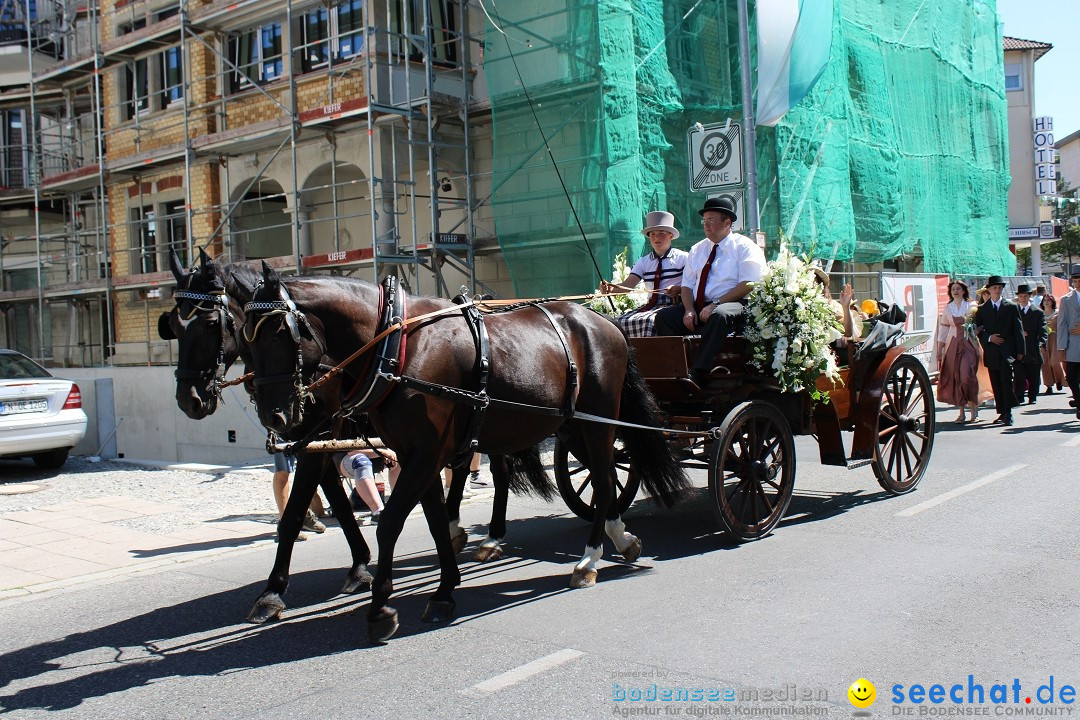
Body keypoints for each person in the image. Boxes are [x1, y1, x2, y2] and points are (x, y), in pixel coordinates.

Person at [654, 196, 766, 386]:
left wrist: (717, 303)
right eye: (704, 221)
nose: (706, 225)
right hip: (700, 305)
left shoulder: (744, 246)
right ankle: (675, 369)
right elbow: (687, 285)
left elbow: (748, 283)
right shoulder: (697, 249)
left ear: (727, 222)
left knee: (719, 315)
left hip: (734, 304)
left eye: (712, 220)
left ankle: (698, 372)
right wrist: (689, 309)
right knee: (664, 317)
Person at [601, 211, 688, 337]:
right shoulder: (643, 262)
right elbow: (628, 285)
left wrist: (679, 289)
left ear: (670, 235)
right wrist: (609, 289)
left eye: (661, 234)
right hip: (651, 305)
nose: (656, 238)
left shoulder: (683, 258)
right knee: (619, 322)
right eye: (652, 234)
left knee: (650, 321)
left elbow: (693, 284)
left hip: (675, 305)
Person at [974, 275, 1024, 426]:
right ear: (988, 290)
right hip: (991, 351)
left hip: (1007, 351)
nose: (997, 290)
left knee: (1006, 380)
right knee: (996, 382)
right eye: (994, 288)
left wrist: (1021, 351)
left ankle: (1008, 412)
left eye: (999, 288)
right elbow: (978, 329)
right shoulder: (982, 309)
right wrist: (989, 338)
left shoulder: (1011, 307)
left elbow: (1018, 330)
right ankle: (1002, 411)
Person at [933, 279, 981, 423]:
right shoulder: (948, 308)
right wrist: (940, 349)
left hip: (969, 342)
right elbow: (943, 330)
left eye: (958, 288)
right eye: (953, 289)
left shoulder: (972, 305)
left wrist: (976, 330)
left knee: (968, 375)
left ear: (964, 290)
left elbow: (979, 324)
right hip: (953, 343)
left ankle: (974, 410)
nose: (955, 291)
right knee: (957, 377)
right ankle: (961, 412)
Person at [336, 447, 400, 524]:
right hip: (345, 458)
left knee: (397, 456)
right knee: (361, 460)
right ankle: (377, 513)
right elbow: (351, 451)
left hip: (376, 455)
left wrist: (389, 451)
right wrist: (382, 452)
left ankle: (397, 504)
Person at [271, 451, 324, 540]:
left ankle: (303, 515)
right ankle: (286, 523)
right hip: (283, 438)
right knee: (283, 469)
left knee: (308, 467)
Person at [1013, 284, 1046, 406]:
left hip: (1032, 346)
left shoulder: (1037, 312)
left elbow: (1043, 330)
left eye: (1025, 296)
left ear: (1029, 296)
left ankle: (1032, 396)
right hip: (1019, 348)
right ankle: (1019, 396)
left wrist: (1041, 342)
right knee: (1019, 374)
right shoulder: (1014, 311)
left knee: (1033, 374)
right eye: (1021, 296)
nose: (1023, 298)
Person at [1056, 267, 1080, 420]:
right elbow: (1062, 324)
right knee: (1071, 377)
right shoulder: (1066, 299)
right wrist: (1060, 347)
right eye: (1075, 281)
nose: (1077, 284)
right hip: (1072, 345)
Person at [1039, 294, 1066, 394]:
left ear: (1052, 302)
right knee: (1045, 362)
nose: (1046, 302)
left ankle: (1059, 380)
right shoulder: (1040, 314)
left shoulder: (1057, 313)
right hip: (1043, 340)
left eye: (1049, 300)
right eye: (1044, 300)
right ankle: (1049, 385)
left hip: (1055, 338)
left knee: (1054, 361)